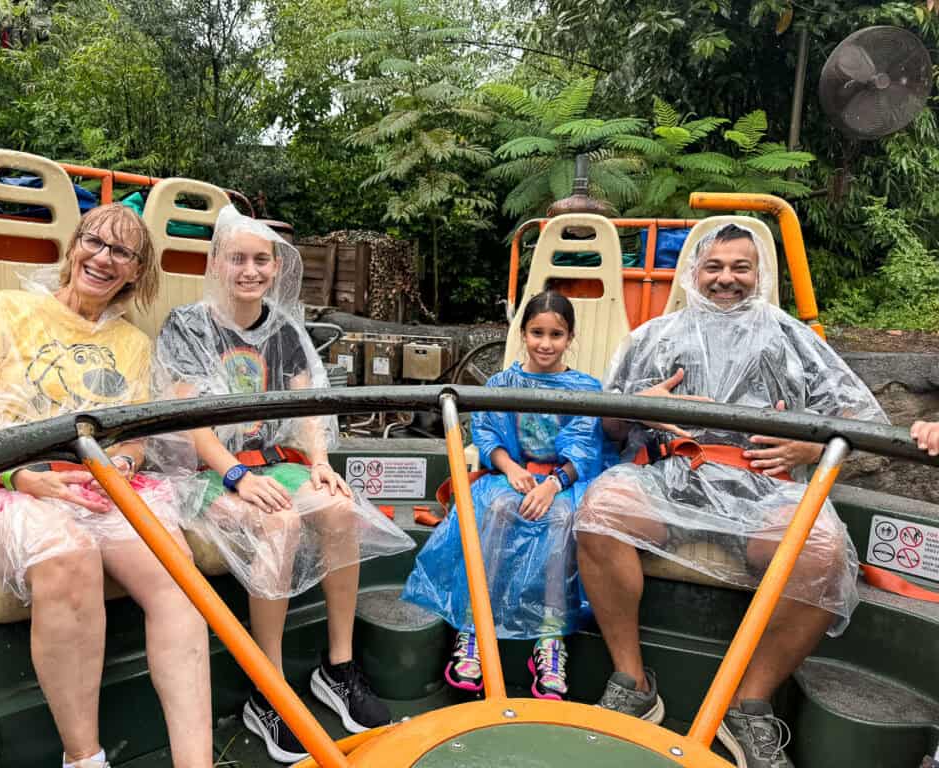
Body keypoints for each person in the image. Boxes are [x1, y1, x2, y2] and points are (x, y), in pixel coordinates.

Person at [575, 223, 886, 768]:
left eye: (740, 267)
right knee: (600, 512)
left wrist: (810, 447)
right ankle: (632, 681)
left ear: (758, 274)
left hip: (763, 487)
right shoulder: (654, 336)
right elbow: (609, 427)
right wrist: (640, 406)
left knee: (822, 551)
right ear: (693, 273)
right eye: (714, 267)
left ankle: (749, 704)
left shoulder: (793, 339)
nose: (726, 279)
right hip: (669, 477)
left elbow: (862, 418)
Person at [0, 204, 213, 768]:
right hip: (2, 483)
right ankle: (84, 759)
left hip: (99, 484)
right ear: (73, 246)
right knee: (66, 551)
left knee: (176, 571)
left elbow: (133, 440)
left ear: (137, 272)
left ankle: (195, 762)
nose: (103, 258)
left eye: (121, 252)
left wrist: (120, 464)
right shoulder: (2, 310)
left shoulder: (133, 344)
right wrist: (23, 476)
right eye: (94, 242)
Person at [153, 205, 414, 765]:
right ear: (217, 264)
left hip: (272, 462)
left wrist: (319, 461)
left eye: (261, 260)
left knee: (339, 507)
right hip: (206, 472)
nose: (250, 270)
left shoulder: (283, 328)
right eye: (237, 259)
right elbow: (188, 417)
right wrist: (236, 475)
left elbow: (308, 404)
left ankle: (338, 667)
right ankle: (267, 688)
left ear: (276, 267)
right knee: (280, 523)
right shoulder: (187, 325)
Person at [402, 290, 613, 700]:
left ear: (570, 338)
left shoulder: (584, 388)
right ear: (523, 334)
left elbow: (584, 450)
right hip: (510, 476)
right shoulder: (501, 383)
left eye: (556, 334)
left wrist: (553, 484)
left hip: (563, 482)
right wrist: (513, 470)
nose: (545, 343)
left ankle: (550, 637)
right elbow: (486, 436)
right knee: (495, 507)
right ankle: (474, 627)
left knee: (561, 518)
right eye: (537, 333)